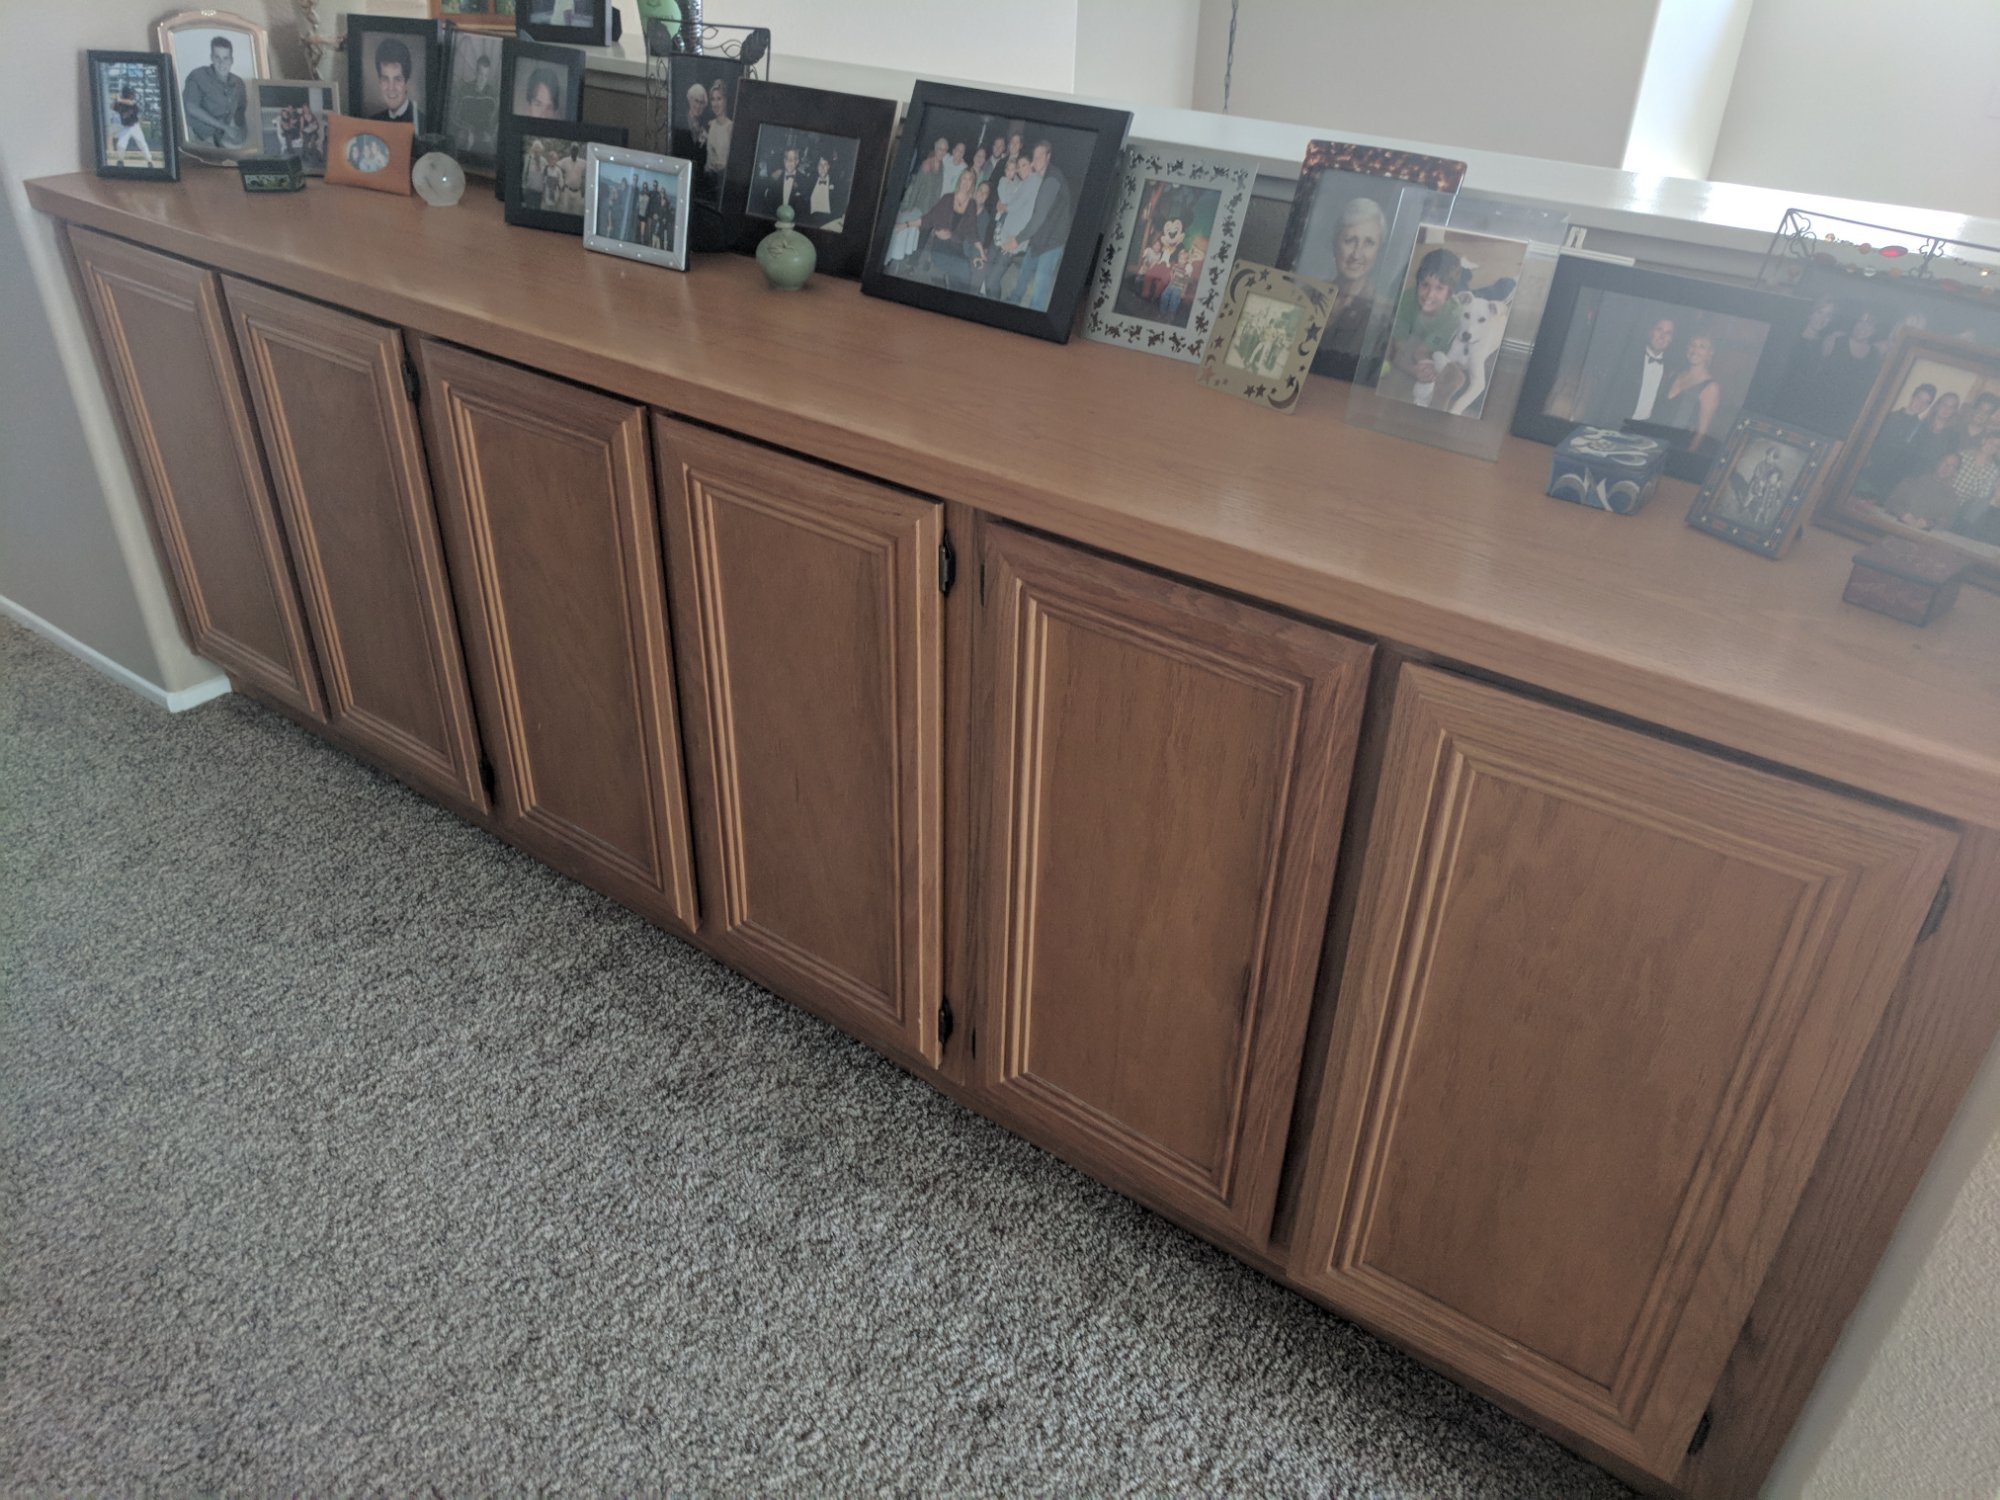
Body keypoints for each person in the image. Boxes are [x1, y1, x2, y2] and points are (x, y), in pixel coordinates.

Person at [1381, 246, 1465, 408]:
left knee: (1453, 372)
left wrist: (1426, 366)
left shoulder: (1453, 314)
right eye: (1425, 285)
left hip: (1437, 343)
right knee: (1389, 348)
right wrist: (1414, 370)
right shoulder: (1407, 299)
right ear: (1418, 283)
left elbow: (1422, 351)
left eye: (1439, 288)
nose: (1429, 294)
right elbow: (1398, 349)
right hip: (1415, 334)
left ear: (1449, 293)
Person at [1005, 140, 1073, 312]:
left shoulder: (1052, 180)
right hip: (1039, 238)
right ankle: (1013, 302)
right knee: (1024, 274)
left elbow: (1039, 216)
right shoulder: (1042, 177)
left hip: (1052, 242)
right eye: (1034, 157)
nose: (1035, 161)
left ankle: (1034, 315)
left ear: (1048, 157)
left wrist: (1018, 239)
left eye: (1040, 157)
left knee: (1040, 285)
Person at [1318, 196, 1387, 361]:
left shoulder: (1381, 316)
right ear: (1335, 243)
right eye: (1350, 240)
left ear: (1378, 251)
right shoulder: (1308, 294)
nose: (1356, 254)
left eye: (1368, 243)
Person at [1592, 315, 1676, 427]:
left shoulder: (1671, 370)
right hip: (1617, 423)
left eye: (1668, 333)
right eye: (1659, 329)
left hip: (1647, 428)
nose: (1662, 336)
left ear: (1671, 339)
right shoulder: (1627, 359)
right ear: (1650, 332)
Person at [1859, 384, 1937, 494]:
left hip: (1889, 482)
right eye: (1919, 398)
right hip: (1867, 472)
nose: (1920, 404)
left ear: (1928, 406)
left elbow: (1913, 460)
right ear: (1912, 397)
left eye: (1926, 402)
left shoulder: (1922, 431)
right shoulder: (1888, 417)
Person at [1656, 331, 1723, 453]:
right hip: (1652, 439)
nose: (1695, 350)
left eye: (1702, 347)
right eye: (1692, 345)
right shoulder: (1673, 375)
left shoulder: (1710, 387)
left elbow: (1702, 432)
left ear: (1710, 353)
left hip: (1676, 447)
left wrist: (1686, 455)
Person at [181, 36, 247, 149]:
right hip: (198, 136)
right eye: (217, 57)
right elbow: (191, 108)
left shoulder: (238, 83)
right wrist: (225, 127)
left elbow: (240, 113)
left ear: (232, 60)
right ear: (211, 58)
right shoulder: (198, 76)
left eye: (226, 58)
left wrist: (239, 131)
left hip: (221, 137)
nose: (221, 63)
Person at [1886, 450, 1967, 531]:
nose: (1946, 468)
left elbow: (1947, 523)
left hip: (1922, 537)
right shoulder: (1912, 482)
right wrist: (1903, 514)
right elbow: (1891, 502)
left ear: (1955, 472)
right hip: (1895, 531)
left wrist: (1929, 523)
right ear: (1937, 462)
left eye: (1952, 466)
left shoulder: (1951, 498)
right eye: (1944, 462)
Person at [452, 51, 498, 157]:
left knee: (491, 147)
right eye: (480, 74)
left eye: (485, 76)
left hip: (483, 132)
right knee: (461, 139)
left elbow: (495, 120)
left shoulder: (491, 95)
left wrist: (489, 133)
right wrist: (467, 130)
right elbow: (454, 116)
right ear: (476, 73)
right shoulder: (465, 90)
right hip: (465, 129)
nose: (482, 79)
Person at [368, 37, 420, 130]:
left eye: (397, 79)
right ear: (379, 82)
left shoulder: (422, 122)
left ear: (406, 82)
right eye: (385, 79)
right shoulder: (372, 122)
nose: (391, 88)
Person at [1157, 236, 1206, 325]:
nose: (1181, 261)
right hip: (1171, 284)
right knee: (1164, 296)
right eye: (1180, 259)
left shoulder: (1187, 268)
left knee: (1173, 302)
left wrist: (1183, 291)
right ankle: (1162, 313)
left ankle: (1169, 318)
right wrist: (1171, 276)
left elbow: (1186, 281)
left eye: (1183, 260)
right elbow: (1172, 272)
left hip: (1179, 288)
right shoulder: (1176, 265)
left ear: (1186, 260)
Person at [752, 145, 809, 219]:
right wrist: (771, 179)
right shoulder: (776, 176)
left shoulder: (803, 179)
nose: (789, 162)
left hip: (794, 218)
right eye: (787, 159)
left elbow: (805, 204)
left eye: (792, 159)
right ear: (784, 160)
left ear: (797, 161)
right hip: (774, 216)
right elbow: (763, 195)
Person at [109, 83, 154, 167]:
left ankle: (149, 161)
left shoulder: (133, 103)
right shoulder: (120, 104)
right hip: (126, 128)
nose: (132, 95)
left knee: (142, 144)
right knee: (120, 145)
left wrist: (119, 99)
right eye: (131, 94)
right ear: (127, 94)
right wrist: (115, 99)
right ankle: (120, 161)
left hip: (135, 127)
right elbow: (111, 106)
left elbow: (131, 103)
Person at [806, 152, 843, 227]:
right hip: (811, 219)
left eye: (825, 164)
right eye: (820, 165)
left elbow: (839, 206)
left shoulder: (836, 183)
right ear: (817, 167)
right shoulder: (810, 181)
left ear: (828, 167)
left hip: (829, 220)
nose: (822, 168)